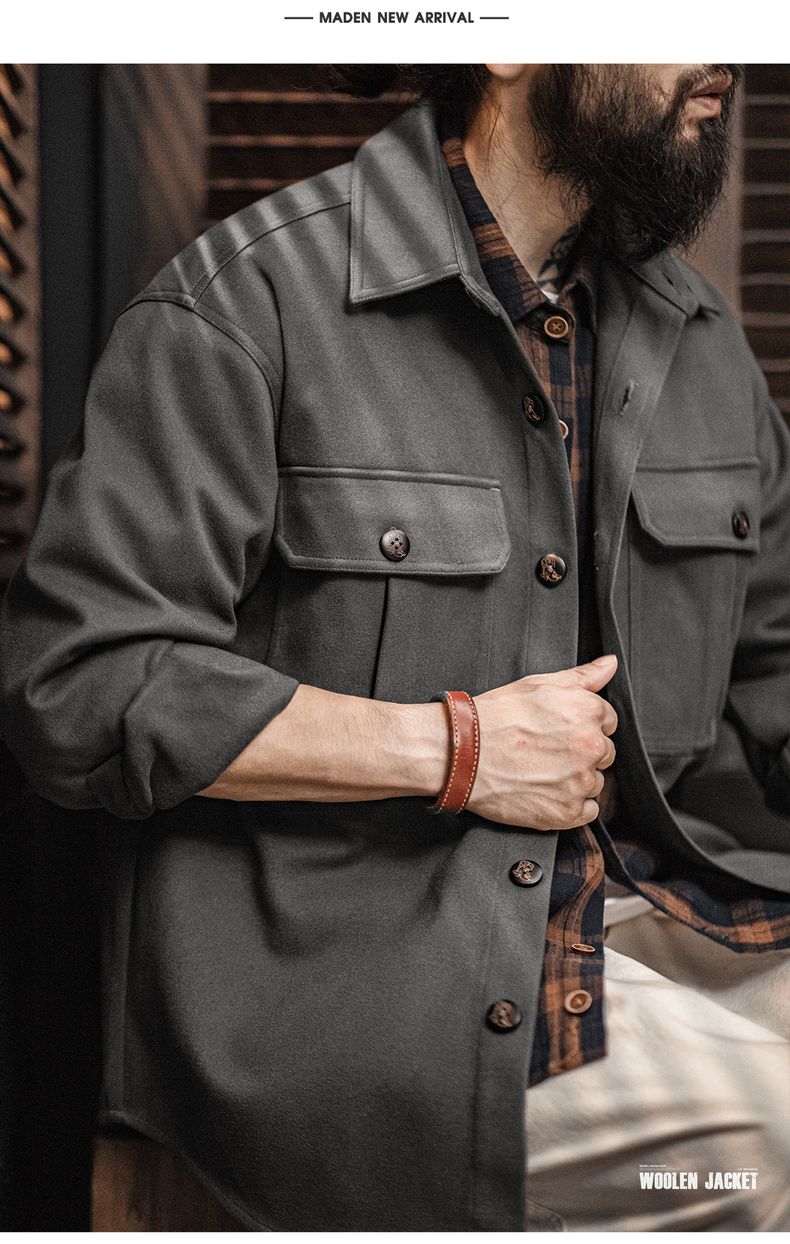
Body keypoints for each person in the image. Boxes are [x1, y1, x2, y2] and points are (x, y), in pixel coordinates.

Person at [1, 63, 790, 1232]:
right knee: (750, 1150)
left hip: (652, 907)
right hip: (355, 979)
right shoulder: (245, 300)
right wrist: (453, 749)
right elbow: (78, 682)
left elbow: (775, 661)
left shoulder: (702, 341)